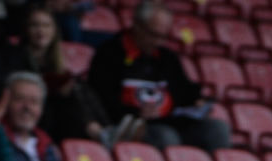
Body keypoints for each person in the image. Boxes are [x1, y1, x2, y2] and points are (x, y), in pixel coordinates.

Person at [87, 0, 229, 152]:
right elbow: (99, 99)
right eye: (153, 35)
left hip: (170, 121)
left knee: (217, 129)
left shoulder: (167, 57)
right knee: (166, 137)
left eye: (163, 37)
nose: (158, 42)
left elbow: (183, 90)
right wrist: (136, 113)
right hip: (131, 125)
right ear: (137, 26)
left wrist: (197, 101)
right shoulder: (110, 53)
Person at [11, 4, 108, 146]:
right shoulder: (15, 57)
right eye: (35, 25)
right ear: (26, 29)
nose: (41, 30)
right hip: (40, 114)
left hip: (61, 117)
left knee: (80, 88)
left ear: (54, 30)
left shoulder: (57, 61)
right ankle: (99, 132)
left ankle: (103, 129)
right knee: (72, 99)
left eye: (46, 25)